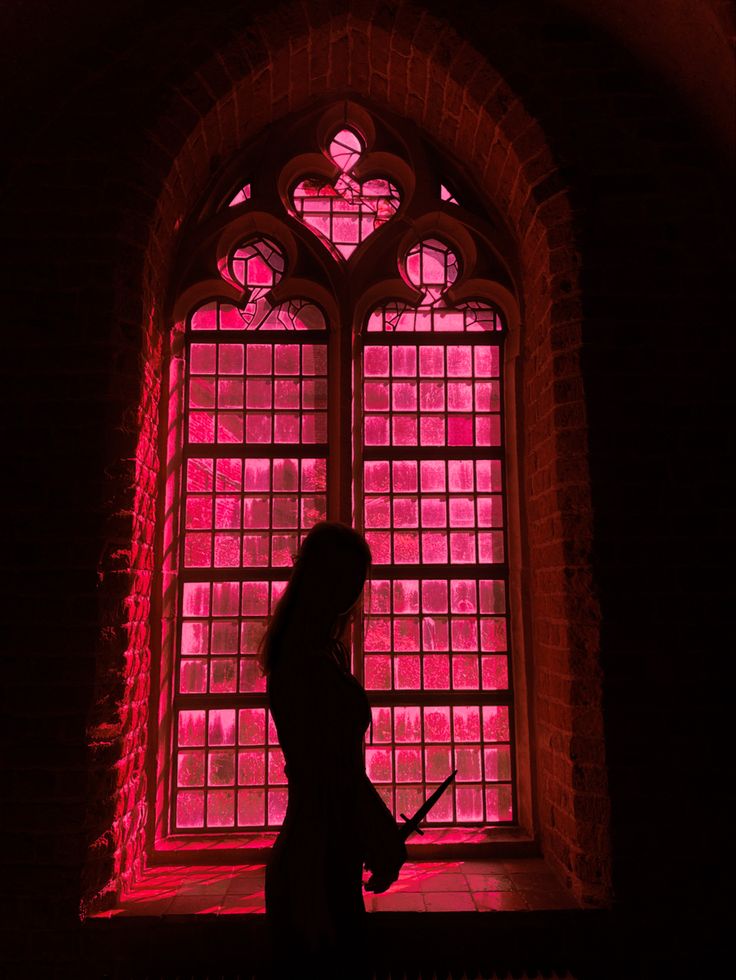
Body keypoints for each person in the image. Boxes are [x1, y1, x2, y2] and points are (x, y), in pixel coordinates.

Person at [261, 522, 407, 980]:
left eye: (357, 582)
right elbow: (329, 776)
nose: (352, 593)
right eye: (345, 579)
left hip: (325, 857)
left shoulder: (323, 651)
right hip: (312, 868)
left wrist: (372, 828)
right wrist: (378, 829)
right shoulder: (305, 662)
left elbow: (336, 774)